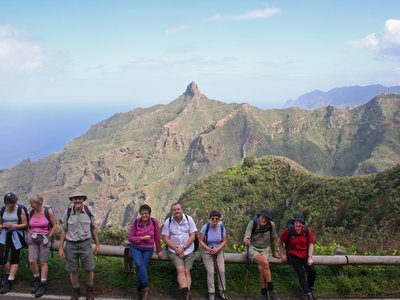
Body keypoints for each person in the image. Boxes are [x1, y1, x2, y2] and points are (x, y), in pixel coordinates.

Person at [58, 191, 100, 300]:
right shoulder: (67, 212)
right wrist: (60, 248)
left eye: (80, 198)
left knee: (89, 268)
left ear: (83, 200)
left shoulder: (88, 211)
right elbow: (64, 230)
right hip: (71, 244)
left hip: (85, 244)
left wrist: (97, 244)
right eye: (75, 198)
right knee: (73, 269)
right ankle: (75, 290)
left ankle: (90, 290)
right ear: (72, 200)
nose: (77, 200)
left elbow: (93, 228)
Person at [162, 202, 197, 300]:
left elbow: (193, 236)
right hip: (174, 251)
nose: (177, 211)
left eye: (178, 209)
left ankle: (185, 294)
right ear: (172, 211)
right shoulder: (168, 222)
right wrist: (176, 249)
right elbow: (166, 238)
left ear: (181, 209)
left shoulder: (189, 219)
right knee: (180, 270)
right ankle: (186, 295)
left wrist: (183, 248)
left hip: (188, 249)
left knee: (187, 271)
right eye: (174, 210)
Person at [243, 209, 280, 300]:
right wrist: (246, 240)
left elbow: (272, 240)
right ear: (260, 216)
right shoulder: (252, 223)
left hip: (265, 249)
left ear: (269, 220)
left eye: (266, 219)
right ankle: (271, 289)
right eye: (262, 218)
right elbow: (246, 236)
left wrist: (274, 252)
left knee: (261, 268)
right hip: (252, 249)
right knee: (265, 263)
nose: (264, 220)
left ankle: (263, 293)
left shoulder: (271, 226)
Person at [128, 204, 163, 300]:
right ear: (140, 214)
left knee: (141, 268)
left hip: (148, 249)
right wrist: (142, 238)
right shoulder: (136, 222)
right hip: (136, 248)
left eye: (146, 213)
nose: (144, 215)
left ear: (149, 214)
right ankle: (146, 288)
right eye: (142, 213)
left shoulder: (154, 222)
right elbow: (130, 238)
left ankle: (139, 292)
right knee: (139, 265)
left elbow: (157, 237)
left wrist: (159, 250)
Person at [279, 213, 316, 300]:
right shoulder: (288, 231)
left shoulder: (306, 231)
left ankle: (310, 288)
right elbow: (280, 242)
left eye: (300, 222)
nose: (298, 224)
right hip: (292, 254)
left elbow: (311, 244)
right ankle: (308, 294)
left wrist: (310, 257)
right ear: (294, 222)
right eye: (296, 222)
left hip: (304, 254)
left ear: (302, 223)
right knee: (301, 272)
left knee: (312, 271)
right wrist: (283, 254)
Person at [27, 195, 57, 297]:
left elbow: (54, 225)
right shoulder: (31, 212)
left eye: (33, 204)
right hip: (33, 238)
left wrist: (48, 237)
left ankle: (43, 283)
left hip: (44, 238)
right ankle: (36, 279)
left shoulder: (47, 212)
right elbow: (27, 225)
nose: (31, 205)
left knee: (43, 262)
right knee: (32, 261)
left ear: (39, 203)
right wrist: (28, 235)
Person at [0, 192, 28, 294]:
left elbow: (25, 224)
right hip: (4, 236)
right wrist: (3, 226)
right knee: (2, 257)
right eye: (10, 203)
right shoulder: (3, 209)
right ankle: (8, 275)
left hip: (17, 236)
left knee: (14, 258)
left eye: (13, 202)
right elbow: (0, 223)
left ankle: (10, 280)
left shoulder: (20, 208)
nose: (12, 204)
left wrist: (13, 226)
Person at [198, 210, 227, 300]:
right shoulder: (205, 227)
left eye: (216, 218)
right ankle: (211, 292)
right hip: (207, 251)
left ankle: (222, 290)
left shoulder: (222, 227)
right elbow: (200, 240)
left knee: (221, 271)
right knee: (210, 271)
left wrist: (217, 249)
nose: (214, 220)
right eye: (212, 218)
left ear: (219, 219)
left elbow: (224, 240)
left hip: (218, 251)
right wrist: (209, 249)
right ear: (210, 219)